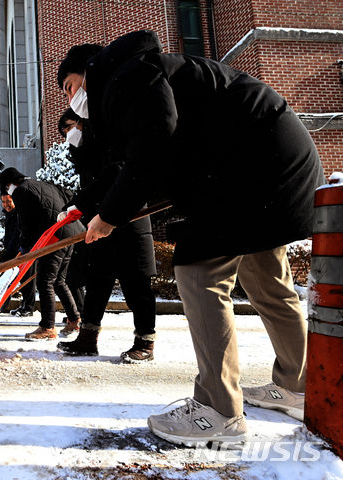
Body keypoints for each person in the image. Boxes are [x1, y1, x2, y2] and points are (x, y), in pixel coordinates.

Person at [57, 30, 324, 445]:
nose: (72, 99)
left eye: (71, 87)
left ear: (88, 69)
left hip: (248, 168)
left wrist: (109, 216)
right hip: (273, 160)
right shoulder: (137, 78)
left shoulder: (124, 73)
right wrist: (88, 206)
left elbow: (155, 139)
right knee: (265, 278)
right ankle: (298, 385)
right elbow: (128, 163)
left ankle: (219, 412)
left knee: (198, 271)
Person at [56, 108, 157, 361]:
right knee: (97, 282)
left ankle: (145, 342)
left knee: (136, 284)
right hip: (100, 225)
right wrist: (75, 208)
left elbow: (113, 175)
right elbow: (92, 186)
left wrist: (79, 202)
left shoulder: (105, 140)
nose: (69, 134)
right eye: (64, 131)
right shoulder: (83, 154)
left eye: (70, 127)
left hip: (129, 220)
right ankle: (88, 338)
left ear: (83, 122)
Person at [0, 167, 83, 340]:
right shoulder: (41, 184)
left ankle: (47, 327)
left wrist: (25, 250)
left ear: (9, 184)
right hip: (71, 232)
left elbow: (26, 224)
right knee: (58, 281)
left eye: (6, 188)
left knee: (45, 282)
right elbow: (68, 195)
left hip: (55, 236)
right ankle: (74, 319)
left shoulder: (21, 191)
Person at [0, 192, 36, 316]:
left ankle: (28, 308)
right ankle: (24, 305)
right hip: (14, 252)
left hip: (24, 251)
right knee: (20, 280)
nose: (6, 205)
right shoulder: (9, 214)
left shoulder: (19, 214)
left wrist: (12, 253)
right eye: (4, 202)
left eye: (9, 201)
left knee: (27, 279)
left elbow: (17, 236)